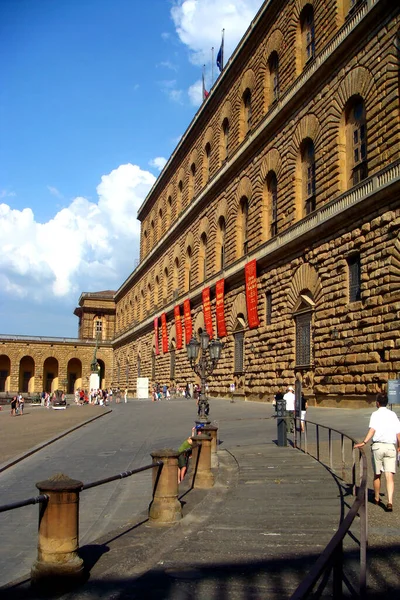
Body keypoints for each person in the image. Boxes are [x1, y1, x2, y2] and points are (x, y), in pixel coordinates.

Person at [355, 392, 400, 512]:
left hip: (378, 447)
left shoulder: (375, 414)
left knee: (377, 474)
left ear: (377, 403)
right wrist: (399, 446)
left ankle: (376, 497)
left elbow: (372, 430)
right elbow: (398, 433)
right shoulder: (393, 415)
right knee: (389, 476)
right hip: (391, 447)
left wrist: (364, 442)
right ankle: (390, 501)